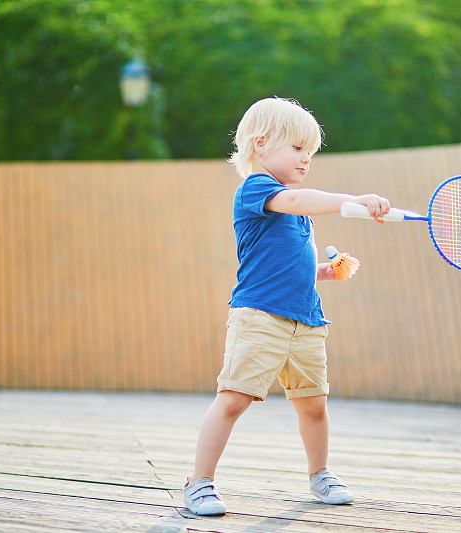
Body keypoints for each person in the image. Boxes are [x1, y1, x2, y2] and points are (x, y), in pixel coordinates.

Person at [183, 97, 390, 516]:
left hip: (306, 319)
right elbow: (299, 201)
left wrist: (326, 272)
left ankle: (320, 475)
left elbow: (288, 265)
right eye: (297, 149)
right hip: (260, 316)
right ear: (261, 145)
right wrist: (353, 200)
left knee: (313, 404)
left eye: (310, 153)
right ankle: (199, 483)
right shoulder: (257, 189)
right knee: (234, 399)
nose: (305, 160)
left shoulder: (297, 213)